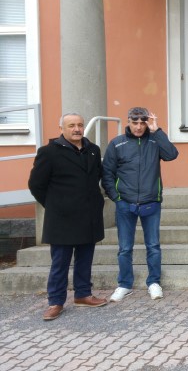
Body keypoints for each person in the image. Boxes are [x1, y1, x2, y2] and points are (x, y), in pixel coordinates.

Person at [28, 113, 108, 321]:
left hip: (88, 215)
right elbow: (36, 185)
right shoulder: (48, 152)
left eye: (80, 125)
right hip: (62, 218)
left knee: (85, 259)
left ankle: (83, 294)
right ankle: (55, 301)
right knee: (60, 263)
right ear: (61, 128)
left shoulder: (93, 150)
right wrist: (54, 205)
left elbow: (96, 177)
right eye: (71, 125)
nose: (77, 129)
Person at [102, 107, 179, 302]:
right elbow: (107, 173)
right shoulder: (117, 143)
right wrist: (116, 198)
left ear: (147, 123)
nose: (138, 127)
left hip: (151, 201)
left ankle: (154, 282)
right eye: (134, 122)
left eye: (142, 123)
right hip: (125, 203)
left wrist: (157, 131)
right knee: (125, 248)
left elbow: (172, 154)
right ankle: (124, 284)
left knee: (153, 245)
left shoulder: (154, 141)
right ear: (128, 121)